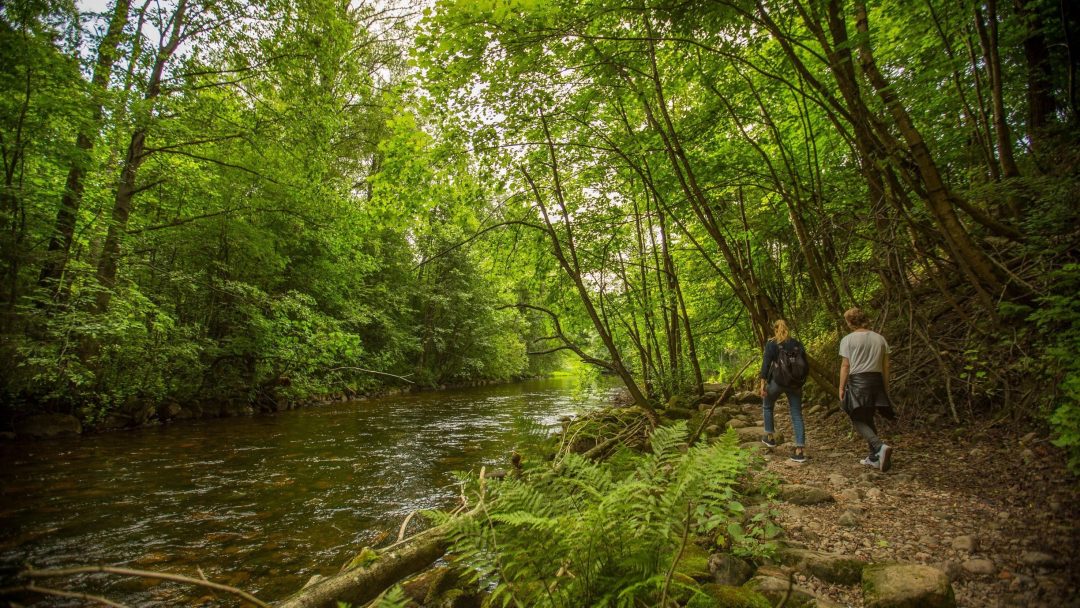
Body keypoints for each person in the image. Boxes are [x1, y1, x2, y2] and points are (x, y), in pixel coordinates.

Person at [838, 307, 896, 472]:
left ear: (850, 322)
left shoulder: (848, 340)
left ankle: (879, 447)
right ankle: (874, 457)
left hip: (858, 381)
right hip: (876, 380)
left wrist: (841, 387)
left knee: (855, 416)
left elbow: (845, 365)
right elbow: (886, 366)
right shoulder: (880, 339)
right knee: (868, 416)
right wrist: (885, 386)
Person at [758, 319, 807, 463]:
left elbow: (766, 365)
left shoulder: (772, 343)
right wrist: (801, 382)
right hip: (795, 384)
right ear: (787, 329)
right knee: (796, 414)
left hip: (777, 382)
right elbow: (805, 366)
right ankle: (799, 451)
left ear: (775, 329)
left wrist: (762, 384)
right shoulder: (797, 344)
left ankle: (770, 437)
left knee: (767, 405)